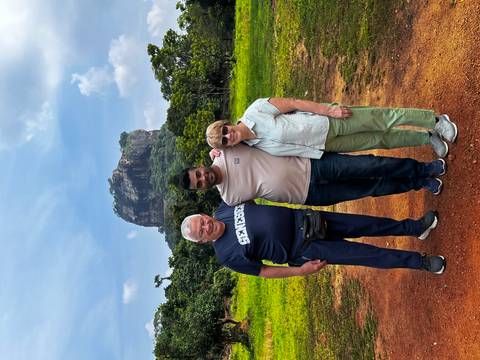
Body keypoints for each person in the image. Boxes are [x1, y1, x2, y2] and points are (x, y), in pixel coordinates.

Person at [180, 202, 446, 277]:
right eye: (200, 232)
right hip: (305, 248)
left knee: (368, 223)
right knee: (366, 254)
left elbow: (243, 181)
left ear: (204, 214)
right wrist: (300, 271)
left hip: (306, 220)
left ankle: (415, 228)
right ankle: (420, 263)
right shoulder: (227, 256)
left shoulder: (224, 208)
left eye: (201, 221)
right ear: (202, 241)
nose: (205, 226)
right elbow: (263, 271)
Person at [179, 143, 446, 207]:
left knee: (369, 166)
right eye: (199, 184)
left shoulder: (226, 149)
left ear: (198, 166)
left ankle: (423, 169)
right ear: (200, 190)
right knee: (370, 189)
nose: (203, 178)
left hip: (312, 165)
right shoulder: (229, 199)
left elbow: (241, 128)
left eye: (198, 174)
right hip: (310, 194)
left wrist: (215, 144)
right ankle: (419, 183)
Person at [205, 98, 458, 158]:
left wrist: (329, 110)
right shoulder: (251, 147)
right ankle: (427, 137)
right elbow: (228, 166)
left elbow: (293, 102)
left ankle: (435, 121)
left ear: (227, 124)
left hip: (328, 120)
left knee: (383, 119)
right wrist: (216, 153)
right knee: (381, 141)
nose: (229, 136)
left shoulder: (255, 111)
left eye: (225, 131)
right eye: (225, 141)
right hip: (325, 145)